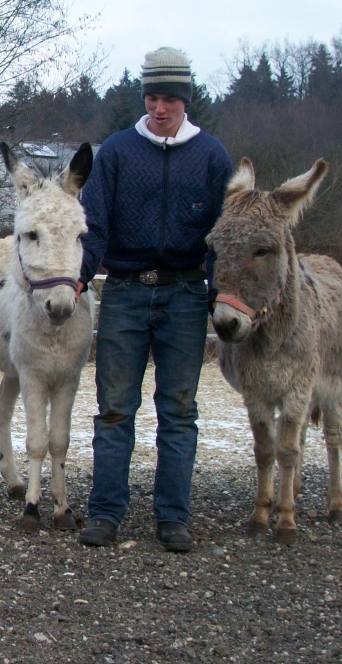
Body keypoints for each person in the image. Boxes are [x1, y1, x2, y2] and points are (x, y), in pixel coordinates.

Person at [76, 47, 233, 553]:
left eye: (169, 98)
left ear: (184, 101)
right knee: (115, 408)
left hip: (187, 293)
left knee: (179, 409)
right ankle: (105, 513)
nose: (159, 107)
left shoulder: (212, 157)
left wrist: (220, 291)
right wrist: (79, 276)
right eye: (152, 97)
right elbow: (93, 222)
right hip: (123, 290)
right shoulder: (118, 152)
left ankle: (173, 517)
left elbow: (223, 233)